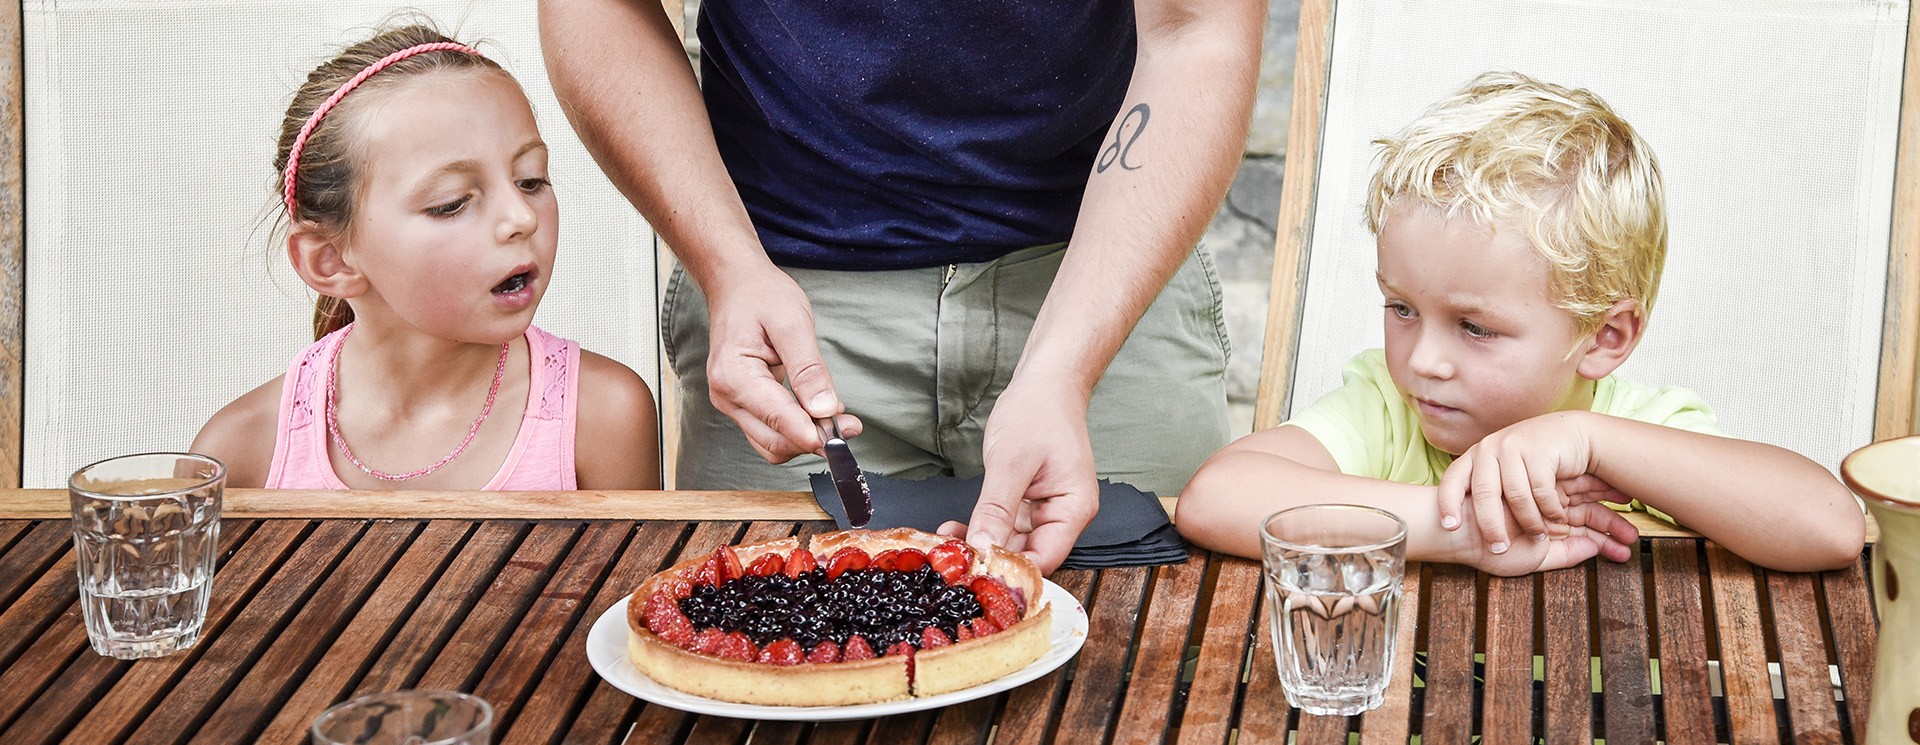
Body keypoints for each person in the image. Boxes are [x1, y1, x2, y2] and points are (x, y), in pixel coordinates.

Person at [539, 1, 1263, 571]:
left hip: (1106, 282)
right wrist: (728, 266)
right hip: (784, 308)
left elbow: (1198, 32)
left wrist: (1063, 371)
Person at [1176, 72, 1864, 574]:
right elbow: (1216, 497)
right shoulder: (1389, 410)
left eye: (1476, 327)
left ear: (1605, 336)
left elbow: (1830, 527)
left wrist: (1588, 439)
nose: (1424, 361)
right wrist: (1457, 530)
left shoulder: (1639, 432)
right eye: (1402, 308)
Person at [194, 24, 660, 491]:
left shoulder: (603, 418)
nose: (521, 218)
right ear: (330, 261)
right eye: (452, 202)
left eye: (531, 180)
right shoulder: (239, 453)